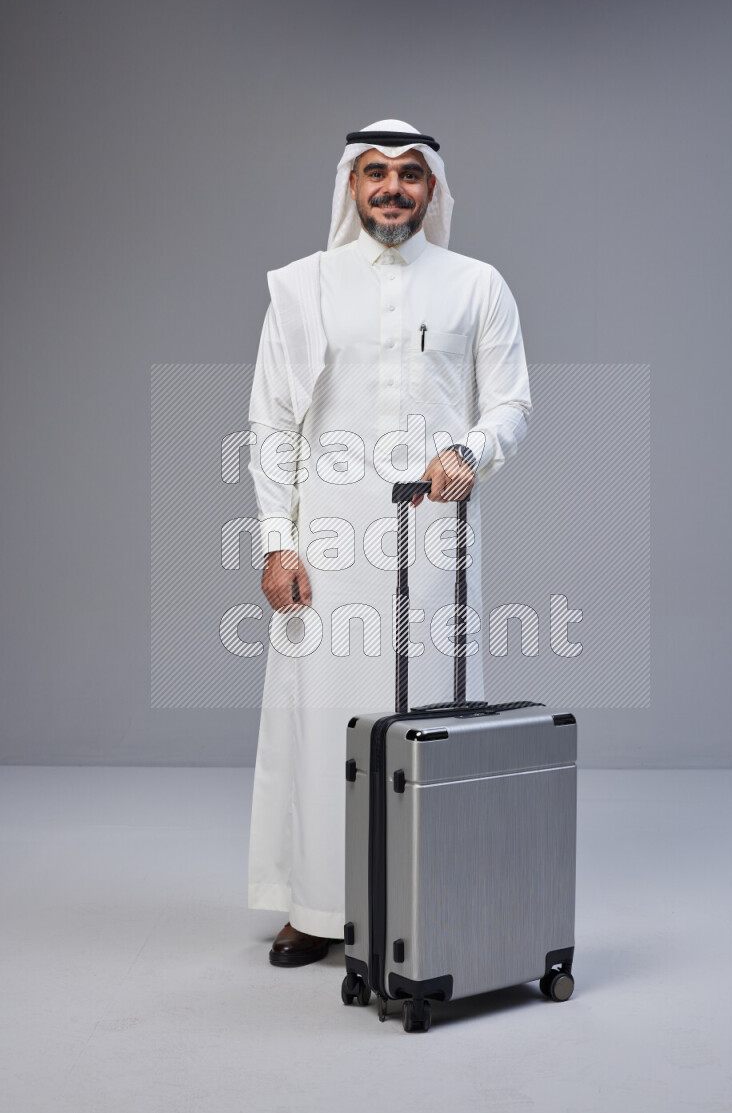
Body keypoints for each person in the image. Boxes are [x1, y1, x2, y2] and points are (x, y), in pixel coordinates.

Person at [247, 119, 532, 966]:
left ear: (434, 189)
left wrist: (468, 452)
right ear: (350, 185)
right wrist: (275, 541)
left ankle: (428, 897)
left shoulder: (478, 285)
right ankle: (316, 904)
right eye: (375, 172)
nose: (392, 188)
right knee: (321, 722)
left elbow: (512, 404)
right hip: (326, 548)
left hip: (437, 544)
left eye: (410, 173)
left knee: (434, 720)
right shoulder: (303, 288)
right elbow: (270, 423)